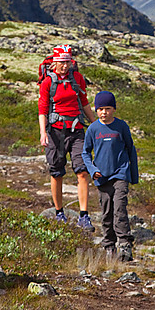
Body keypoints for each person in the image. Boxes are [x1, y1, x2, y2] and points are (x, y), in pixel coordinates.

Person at [38, 44, 97, 231]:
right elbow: (42, 109)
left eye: (68, 62)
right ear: (55, 61)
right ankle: (59, 212)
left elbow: (84, 102)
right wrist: (43, 133)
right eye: (62, 62)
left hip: (77, 129)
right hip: (55, 132)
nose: (65, 65)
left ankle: (84, 216)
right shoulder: (48, 82)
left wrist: (95, 125)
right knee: (56, 172)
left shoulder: (77, 78)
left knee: (82, 171)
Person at [82, 91, 139, 261]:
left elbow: (131, 150)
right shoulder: (93, 129)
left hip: (120, 174)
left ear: (113, 109)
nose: (104, 112)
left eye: (107, 108)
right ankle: (109, 246)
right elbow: (85, 153)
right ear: (96, 110)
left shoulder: (121, 127)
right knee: (106, 211)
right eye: (100, 109)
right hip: (102, 177)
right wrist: (92, 170)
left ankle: (125, 245)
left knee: (120, 208)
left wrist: (132, 175)